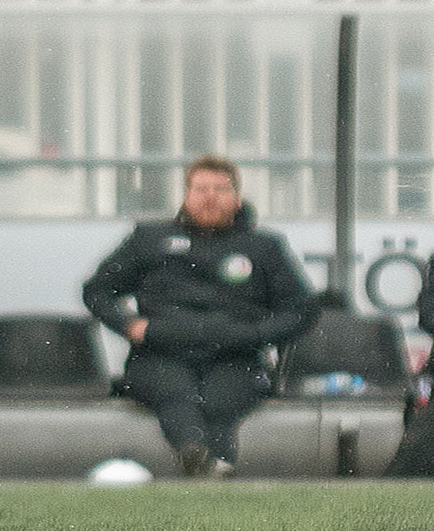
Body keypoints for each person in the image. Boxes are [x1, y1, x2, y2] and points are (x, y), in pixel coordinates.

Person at [83, 155, 317, 478]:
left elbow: (301, 310)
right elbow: (97, 291)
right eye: (200, 188)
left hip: (236, 356)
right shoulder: (149, 239)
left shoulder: (263, 247)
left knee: (219, 403)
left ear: (237, 198)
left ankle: (206, 466)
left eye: (220, 189)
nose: (209, 197)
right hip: (160, 354)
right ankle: (199, 457)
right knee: (178, 396)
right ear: (186, 195)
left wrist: (257, 333)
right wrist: (127, 324)